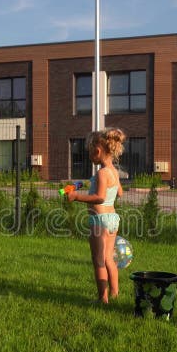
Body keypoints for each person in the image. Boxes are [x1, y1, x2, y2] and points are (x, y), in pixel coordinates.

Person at [67, 128, 126, 304]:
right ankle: (115, 293)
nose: (88, 155)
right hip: (113, 220)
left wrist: (77, 197)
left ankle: (103, 298)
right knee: (109, 258)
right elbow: (120, 192)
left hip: (99, 221)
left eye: (89, 151)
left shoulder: (101, 173)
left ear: (98, 151)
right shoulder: (113, 171)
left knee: (98, 260)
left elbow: (99, 197)